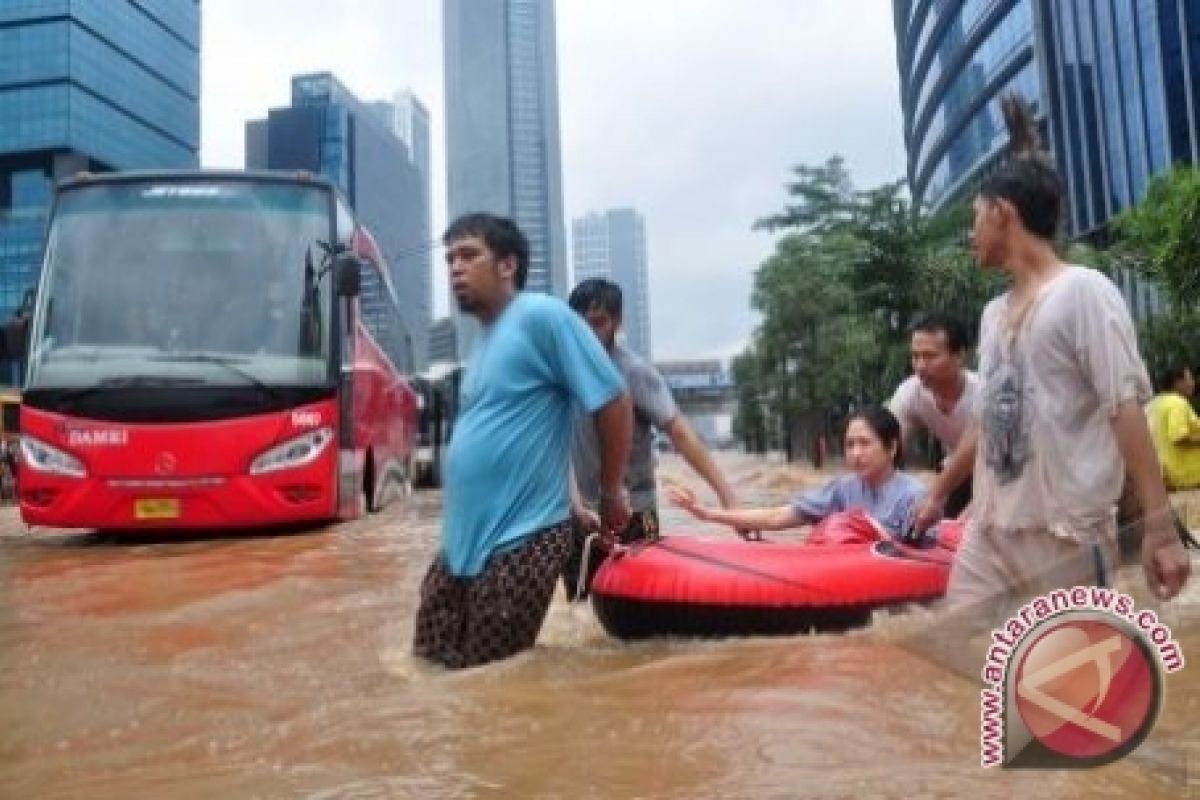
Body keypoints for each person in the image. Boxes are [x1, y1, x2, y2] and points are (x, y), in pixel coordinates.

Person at [911, 94, 1190, 608]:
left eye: (975, 219)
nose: (970, 236)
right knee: (961, 664)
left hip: (1066, 538)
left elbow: (1126, 411)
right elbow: (987, 420)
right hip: (990, 531)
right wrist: (938, 493)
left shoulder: (1083, 292)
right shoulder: (993, 315)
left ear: (1002, 213)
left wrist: (1160, 529)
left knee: (1070, 682)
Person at [412, 214, 633, 670]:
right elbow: (529, 434)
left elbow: (613, 401)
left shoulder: (543, 317)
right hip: (460, 548)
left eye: (470, 255)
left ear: (507, 265)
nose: (455, 267)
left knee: (491, 685)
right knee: (429, 673)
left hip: (520, 543)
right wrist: (574, 500)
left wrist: (611, 492)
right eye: (450, 257)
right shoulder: (485, 343)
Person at [561, 278, 740, 600]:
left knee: (634, 610)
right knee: (579, 608)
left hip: (634, 515)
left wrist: (728, 499)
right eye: (579, 324)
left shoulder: (634, 373)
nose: (588, 333)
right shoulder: (562, 374)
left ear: (617, 321)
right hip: (578, 516)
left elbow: (680, 434)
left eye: (598, 323)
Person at [669, 406, 927, 539]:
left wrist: (868, 528)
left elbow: (922, 552)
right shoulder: (842, 489)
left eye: (865, 443)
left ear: (891, 447)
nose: (856, 453)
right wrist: (708, 514)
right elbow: (776, 516)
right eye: (850, 445)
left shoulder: (913, 496)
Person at [887, 313, 981, 517]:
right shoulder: (910, 393)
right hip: (955, 474)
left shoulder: (985, 393)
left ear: (959, 356)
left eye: (930, 356)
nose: (920, 366)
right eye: (915, 356)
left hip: (999, 474)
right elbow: (887, 444)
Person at [1147, 364, 1200, 490]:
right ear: (1178, 382)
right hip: (1189, 474)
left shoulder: (1153, 404)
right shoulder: (1177, 404)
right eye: (1190, 379)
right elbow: (1178, 437)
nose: (1193, 383)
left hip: (1166, 475)